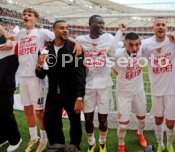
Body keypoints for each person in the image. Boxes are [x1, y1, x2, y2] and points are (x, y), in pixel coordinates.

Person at [10, 8, 81, 152]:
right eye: (24, 14)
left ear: (36, 19)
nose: (26, 16)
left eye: (29, 15)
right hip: (29, 79)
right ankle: (42, 140)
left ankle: (54, 141)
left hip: (47, 81)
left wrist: (77, 43)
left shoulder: (42, 32)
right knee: (34, 112)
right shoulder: (23, 36)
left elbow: (61, 36)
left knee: (43, 113)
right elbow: (9, 38)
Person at [35, 20, 86, 150]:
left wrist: (79, 98)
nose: (65, 30)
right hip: (53, 94)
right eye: (61, 28)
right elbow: (41, 75)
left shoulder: (75, 48)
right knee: (50, 121)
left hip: (72, 94)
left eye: (67, 28)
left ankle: (75, 146)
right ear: (54, 31)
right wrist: (39, 65)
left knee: (75, 122)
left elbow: (81, 75)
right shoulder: (46, 50)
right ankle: (58, 146)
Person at [76, 15, 123, 152]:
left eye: (103, 23)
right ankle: (91, 143)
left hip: (105, 86)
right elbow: (69, 40)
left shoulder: (108, 38)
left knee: (103, 119)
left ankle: (102, 142)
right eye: (99, 23)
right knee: (88, 118)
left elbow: (123, 45)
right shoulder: (81, 40)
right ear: (90, 24)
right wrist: (77, 43)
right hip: (88, 87)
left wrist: (120, 31)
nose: (102, 25)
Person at [141, 17, 175, 152]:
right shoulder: (145, 44)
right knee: (158, 120)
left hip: (173, 89)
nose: (160, 27)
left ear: (167, 28)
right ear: (153, 28)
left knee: (170, 123)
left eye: (163, 25)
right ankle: (160, 145)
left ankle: (170, 145)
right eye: (158, 25)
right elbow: (127, 47)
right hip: (156, 89)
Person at [114, 32, 148, 152]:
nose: (134, 48)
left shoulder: (141, 50)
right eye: (130, 45)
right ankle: (121, 144)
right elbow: (108, 54)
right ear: (124, 44)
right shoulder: (118, 54)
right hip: (123, 94)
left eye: (136, 45)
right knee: (123, 126)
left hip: (138, 91)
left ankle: (140, 133)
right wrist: (119, 32)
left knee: (142, 119)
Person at [0, 26, 22, 152]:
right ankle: (3, 137)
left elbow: (24, 39)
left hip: (6, 87)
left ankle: (15, 139)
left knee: (6, 114)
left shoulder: (12, 45)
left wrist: (9, 40)